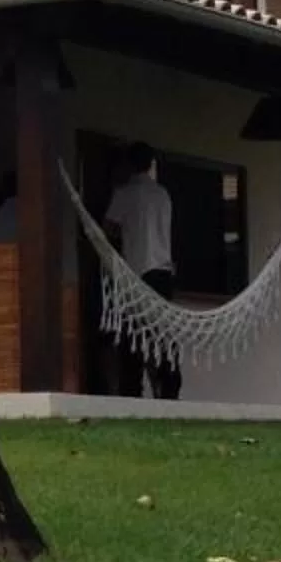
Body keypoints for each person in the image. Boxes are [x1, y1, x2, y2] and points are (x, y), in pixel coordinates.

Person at [104, 143, 182, 399]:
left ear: (128, 164)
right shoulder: (163, 194)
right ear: (150, 164)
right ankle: (170, 389)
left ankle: (131, 392)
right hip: (163, 273)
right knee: (162, 336)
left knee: (134, 336)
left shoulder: (125, 193)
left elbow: (109, 230)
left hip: (138, 275)